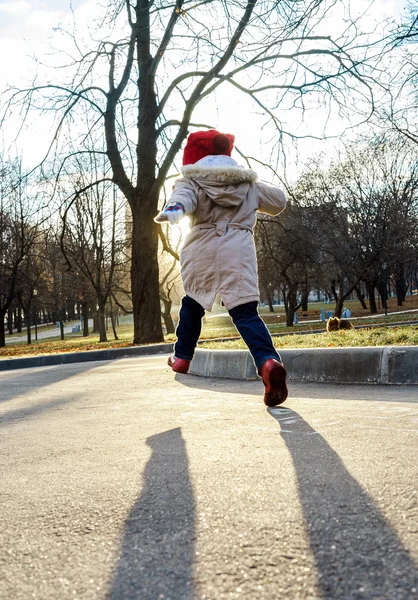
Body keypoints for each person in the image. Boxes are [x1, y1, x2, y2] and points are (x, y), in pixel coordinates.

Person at [154, 129, 288, 407]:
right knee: (244, 312)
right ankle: (267, 361)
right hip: (237, 250)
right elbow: (278, 202)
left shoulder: (190, 181)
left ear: (194, 159)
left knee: (192, 302)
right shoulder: (247, 184)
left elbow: (181, 202)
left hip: (202, 247)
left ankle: (182, 357)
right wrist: (253, 185)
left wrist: (173, 211)